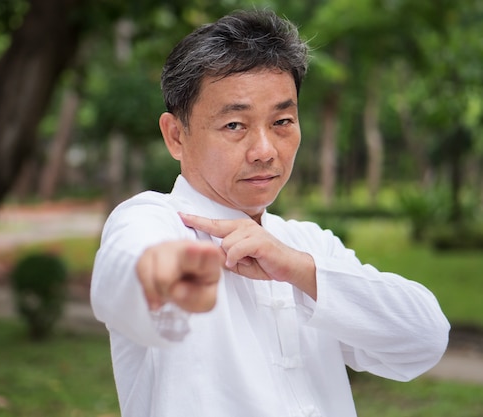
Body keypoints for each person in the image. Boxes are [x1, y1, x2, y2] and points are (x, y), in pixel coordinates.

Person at [91, 9, 449, 417]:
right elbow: (123, 282)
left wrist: (298, 270)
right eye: (234, 125)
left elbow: (426, 338)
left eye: (282, 121)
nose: (265, 150)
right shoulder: (151, 221)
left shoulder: (307, 246)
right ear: (176, 135)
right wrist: (180, 275)